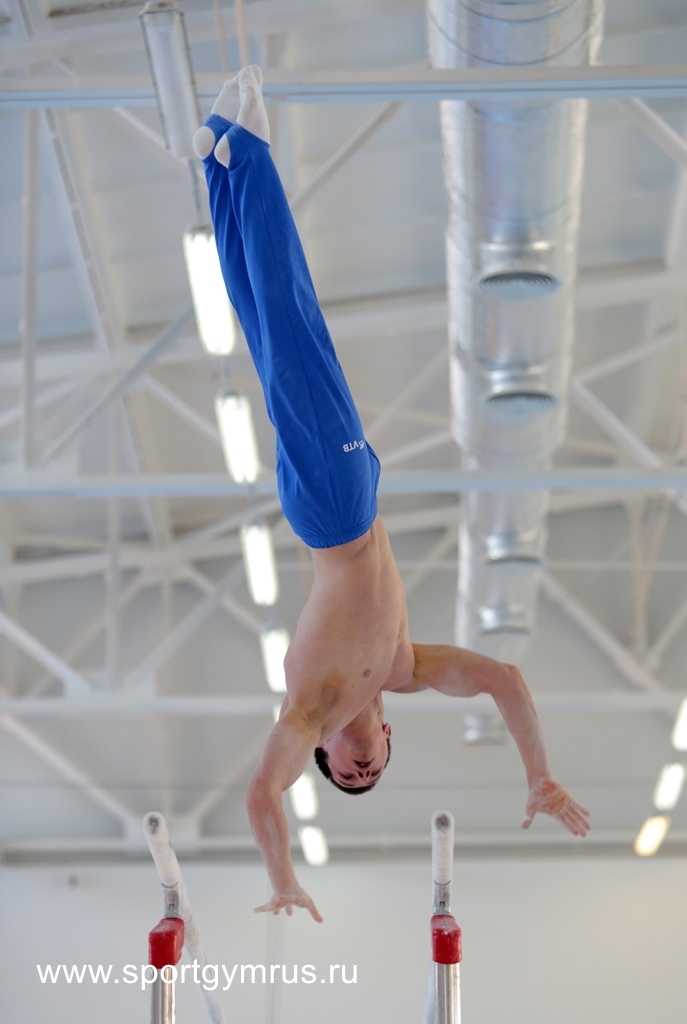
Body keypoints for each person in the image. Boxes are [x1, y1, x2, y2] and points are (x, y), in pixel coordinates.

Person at [193, 66, 590, 924]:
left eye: (347, 771)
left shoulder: (313, 709)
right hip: (351, 494)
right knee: (270, 336)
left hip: (333, 512)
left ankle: (246, 149)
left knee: (293, 329)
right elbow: (506, 680)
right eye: (373, 769)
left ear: (328, 751)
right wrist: (538, 773)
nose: (362, 764)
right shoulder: (406, 668)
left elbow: (262, 797)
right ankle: (218, 167)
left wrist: (282, 879)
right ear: (389, 736)